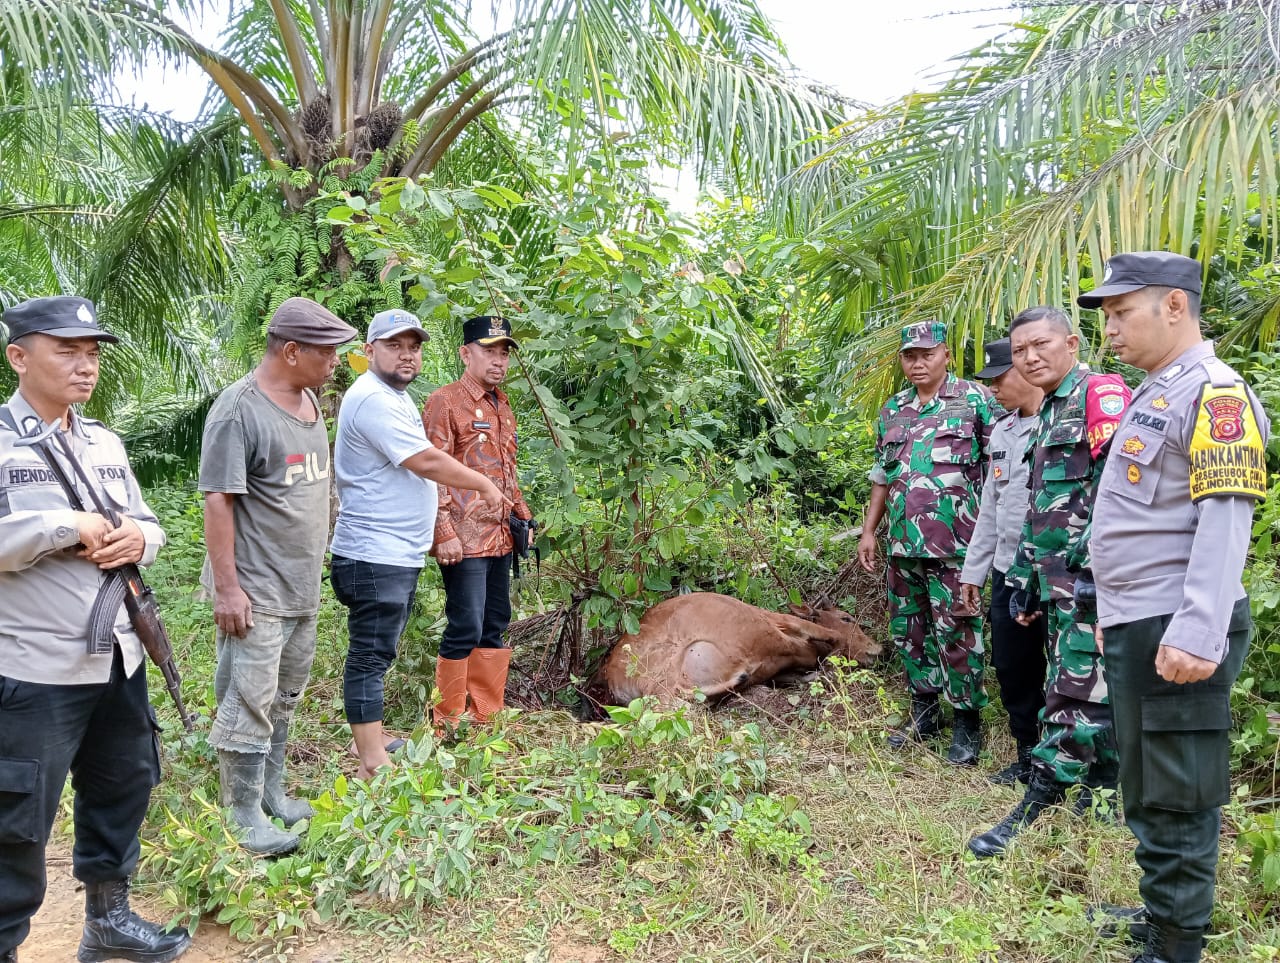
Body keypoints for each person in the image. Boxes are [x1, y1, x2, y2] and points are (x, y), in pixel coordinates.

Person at [1085, 253, 1267, 963]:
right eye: (1104, 318)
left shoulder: (1216, 392)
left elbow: (1225, 519)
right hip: (1143, 619)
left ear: (1173, 306)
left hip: (1177, 624)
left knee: (1178, 790)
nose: (1110, 331)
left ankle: (1177, 944)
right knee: (1149, 782)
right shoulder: (1157, 390)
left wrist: (1197, 630)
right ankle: (1163, 912)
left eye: (1121, 313)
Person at [0, 296, 190, 963]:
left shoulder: (104, 442)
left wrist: (141, 534)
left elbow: (150, 523)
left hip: (119, 657)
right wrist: (62, 526)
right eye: (67, 350)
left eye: (93, 352)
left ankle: (107, 920)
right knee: (16, 820)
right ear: (18, 356)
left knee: (121, 786)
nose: (86, 365)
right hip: (35, 669)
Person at [968, 306, 1130, 858]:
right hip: (1056, 585)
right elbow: (1044, 510)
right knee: (1092, 693)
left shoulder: (1097, 395)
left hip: (1092, 586)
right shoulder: (1044, 414)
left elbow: (1119, 490)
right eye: (1019, 351)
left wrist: (1097, 569)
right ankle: (1102, 796)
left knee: (1072, 695)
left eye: (1040, 346)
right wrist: (1022, 578)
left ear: (1072, 343)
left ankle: (1038, 799)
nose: (1029, 358)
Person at [199, 298, 357, 856]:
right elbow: (218, 500)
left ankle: (273, 795)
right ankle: (242, 817)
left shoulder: (310, 400)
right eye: (326, 351)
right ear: (291, 351)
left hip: (300, 586)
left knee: (283, 697)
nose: (335, 360)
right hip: (256, 590)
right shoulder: (238, 411)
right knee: (249, 698)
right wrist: (227, 588)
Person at [330, 309, 508, 778]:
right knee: (371, 652)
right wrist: (481, 488)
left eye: (413, 347)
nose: (407, 355)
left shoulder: (392, 397)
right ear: (369, 351)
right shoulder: (374, 398)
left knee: (381, 649)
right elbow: (426, 460)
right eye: (394, 346)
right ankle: (372, 760)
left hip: (395, 550)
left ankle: (374, 738)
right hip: (374, 549)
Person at [858, 320, 998, 765]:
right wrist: (868, 531)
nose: (918, 363)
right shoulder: (894, 408)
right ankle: (925, 713)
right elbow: (883, 475)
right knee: (910, 631)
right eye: (909, 356)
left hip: (956, 545)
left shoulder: (975, 400)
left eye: (927, 354)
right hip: (902, 547)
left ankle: (966, 724)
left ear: (946, 355)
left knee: (958, 630)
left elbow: (999, 469)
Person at [422, 315, 534, 728]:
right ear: (465, 353)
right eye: (489, 351)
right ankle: (448, 719)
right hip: (463, 540)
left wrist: (523, 514)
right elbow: (431, 469)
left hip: (500, 536)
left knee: (494, 623)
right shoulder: (444, 401)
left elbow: (507, 470)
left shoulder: (502, 405)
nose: (499, 360)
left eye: (504, 352)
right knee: (465, 624)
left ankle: (487, 715)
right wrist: (443, 531)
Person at [959, 337, 1049, 785]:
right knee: (1014, 666)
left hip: (1057, 572)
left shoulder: (1062, 423)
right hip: (1008, 571)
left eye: (999, 379)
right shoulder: (1002, 432)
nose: (993, 389)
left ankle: (1078, 764)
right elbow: (989, 510)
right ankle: (1028, 754)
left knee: (1072, 671)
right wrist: (973, 572)